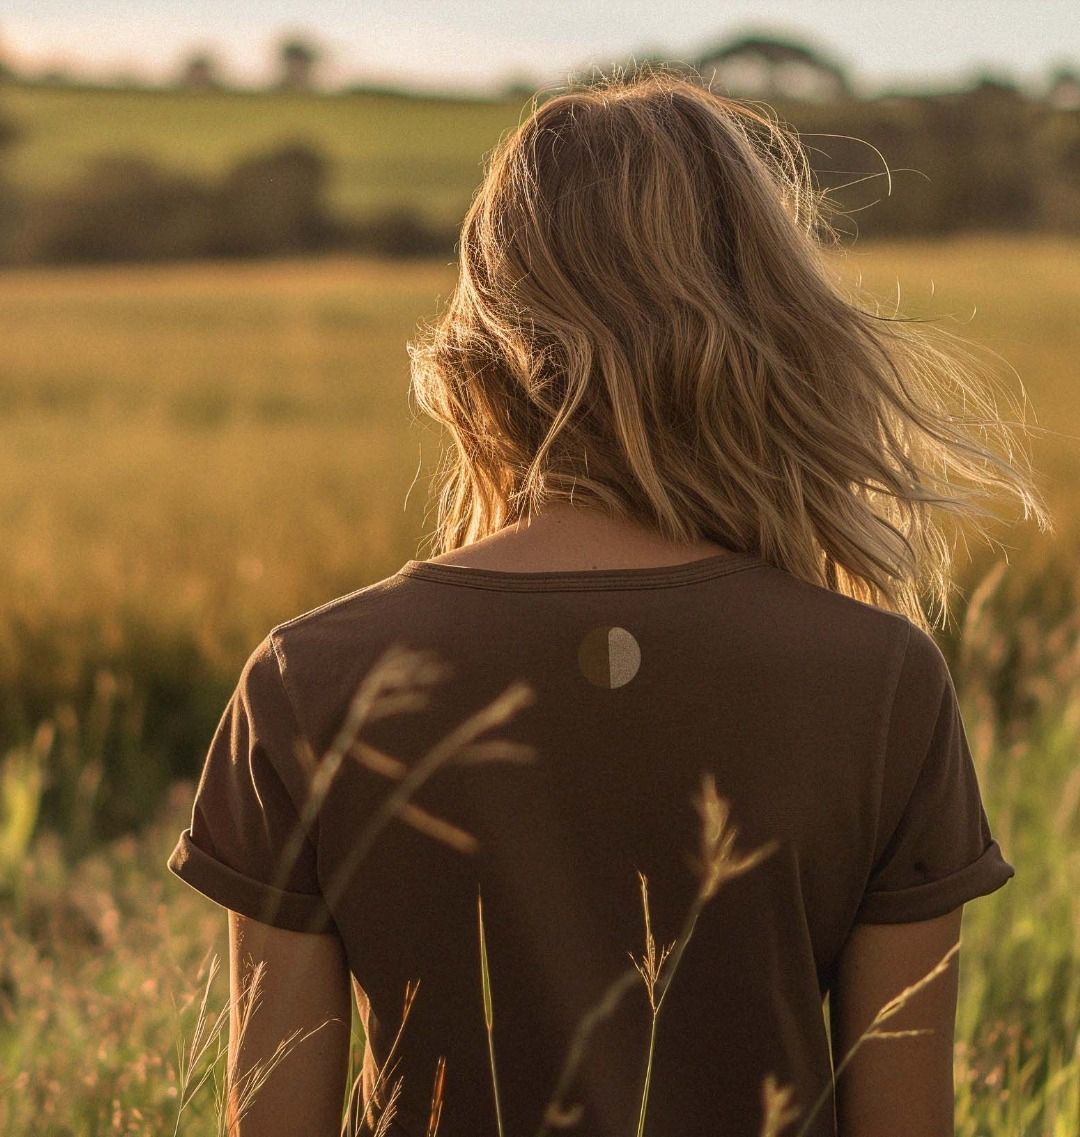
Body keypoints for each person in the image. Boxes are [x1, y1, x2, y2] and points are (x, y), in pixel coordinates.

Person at [167, 66, 1051, 1137]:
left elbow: (273, 1122)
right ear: (771, 319)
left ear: (485, 336)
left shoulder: (311, 677)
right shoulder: (877, 678)